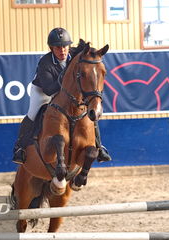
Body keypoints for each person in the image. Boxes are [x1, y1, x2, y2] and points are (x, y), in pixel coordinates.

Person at [12, 27, 112, 164]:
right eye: (58, 48)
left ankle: (99, 147)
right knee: (32, 113)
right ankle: (20, 148)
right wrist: (64, 77)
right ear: (51, 48)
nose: (62, 51)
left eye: (65, 46)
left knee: (88, 111)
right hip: (43, 91)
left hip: (67, 92)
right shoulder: (45, 62)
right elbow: (49, 89)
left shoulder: (75, 56)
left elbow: (88, 54)